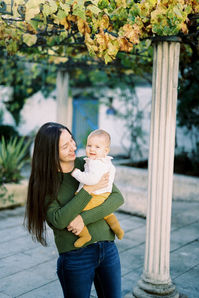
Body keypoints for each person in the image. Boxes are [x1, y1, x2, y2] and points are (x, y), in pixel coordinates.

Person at [24, 122, 124, 298]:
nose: (73, 147)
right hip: (76, 256)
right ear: (50, 152)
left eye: (71, 140)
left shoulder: (88, 163)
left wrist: (82, 218)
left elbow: (116, 198)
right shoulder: (46, 182)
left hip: (107, 248)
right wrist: (87, 190)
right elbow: (59, 220)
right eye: (65, 146)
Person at [71, 129, 124, 248]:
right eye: (89, 145)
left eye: (97, 147)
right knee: (108, 214)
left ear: (106, 151)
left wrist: (77, 173)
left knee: (74, 212)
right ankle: (118, 229)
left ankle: (85, 235)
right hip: (104, 194)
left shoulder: (96, 163)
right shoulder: (105, 162)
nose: (92, 149)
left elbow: (92, 180)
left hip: (94, 195)